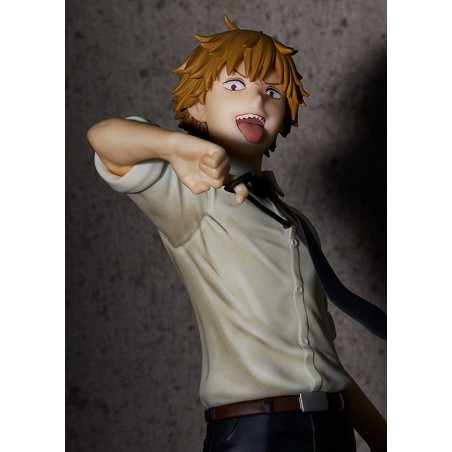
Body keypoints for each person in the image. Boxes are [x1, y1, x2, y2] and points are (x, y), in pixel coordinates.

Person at [88, 15, 386, 452]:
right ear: (197, 105)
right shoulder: (191, 192)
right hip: (255, 431)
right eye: (233, 85)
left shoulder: (295, 222)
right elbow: (105, 138)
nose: (258, 98)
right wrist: (179, 147)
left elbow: (319, 357)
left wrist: (382, 436)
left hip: (332, 426)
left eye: (273, 92)